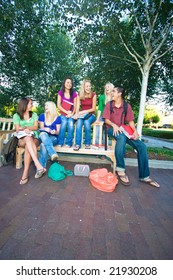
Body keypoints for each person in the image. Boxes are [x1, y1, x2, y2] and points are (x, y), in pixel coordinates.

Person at [102, 86, 160, 188]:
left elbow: (130, 121)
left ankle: (144, 176)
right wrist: (114, 125)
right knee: (121, 137)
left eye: (114, 91)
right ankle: (120, 169)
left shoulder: (126, 106)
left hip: (123, 130)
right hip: (110, 128)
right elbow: (106, 119)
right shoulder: (109, 105)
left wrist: (135, 132)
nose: (111, 93)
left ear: (120, 93)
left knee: (141, 146)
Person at [13, 97, 46, 185]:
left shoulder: (34, 114)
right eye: (30, 103)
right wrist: (25, 129)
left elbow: (36, 127)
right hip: (22, 139)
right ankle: (38, 165)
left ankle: (25, 174)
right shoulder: (16, 115)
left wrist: (27, 128)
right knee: (27, 139)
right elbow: (17, 129)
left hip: (34, 138)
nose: (32, 105)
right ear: (25, 104)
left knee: (29, 144)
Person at [37, 101, 61, 174]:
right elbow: (41, 128)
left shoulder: (58, 118)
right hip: (43, 136)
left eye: (47, 105)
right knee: (43, 133)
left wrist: (54, 132)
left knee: (43, 145)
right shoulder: (42, 116)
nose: (45, 107)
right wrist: (45, 129)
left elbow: (58, 132)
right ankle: (53, 153)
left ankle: (40, 170)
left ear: (52, 107)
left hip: (53, 138)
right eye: (45, 105)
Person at [73, 79, 96, 150]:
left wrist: (84, 111)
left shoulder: (93, 95)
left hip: (91, 115)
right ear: (83, 87)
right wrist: (76, 114)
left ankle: (87, 143)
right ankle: (77, 144)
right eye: (87, 86)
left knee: (86, 122)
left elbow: (93, 109)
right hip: (82, 115)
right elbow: (77, 106)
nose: (88, 88)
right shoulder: (79, 94)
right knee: (79, 123)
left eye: (89, 86)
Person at [57, 77, 78, 147]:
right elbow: (58, 105)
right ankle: (60, 142)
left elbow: (75, 106)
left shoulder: (74, 93)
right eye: (67, 82)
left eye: (70, 83)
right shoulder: (60, 93)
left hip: (71, 114)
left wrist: (71, 113)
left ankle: (68, 143)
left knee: (70, 124)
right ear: (64, 83)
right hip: (63, 114)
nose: (69, 84)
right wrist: (66, 112)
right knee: (63, 124)